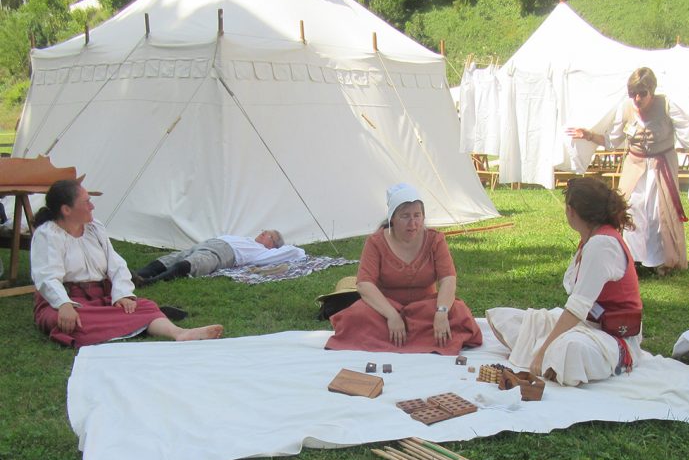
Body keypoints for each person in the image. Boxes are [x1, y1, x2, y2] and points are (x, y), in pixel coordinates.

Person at [30, 179, 224, 347]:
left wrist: (121, 295)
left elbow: (116, 265)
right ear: (66, 209)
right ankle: (137, 323)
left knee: (145, 305)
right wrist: (64, 304)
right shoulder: (48, 235)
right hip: (68, 302)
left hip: (102, 297)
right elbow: (47, 277)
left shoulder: (94, 229)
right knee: (67, 321)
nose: (92, 206)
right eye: (87, 201)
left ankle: (179, 333)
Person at [486, 177, 643, 386]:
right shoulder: (590, 238)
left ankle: (559, 356)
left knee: (569, 349)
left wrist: (542, 352)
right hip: (587, 323)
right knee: (504, 318)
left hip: (611, 335)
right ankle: (550, 354)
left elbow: (578, 306)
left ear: (571, 210)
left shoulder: (602, 244)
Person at [568, 67, 689, 275]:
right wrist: (588, 135)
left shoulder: (667, 106)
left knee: (659, 213)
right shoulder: (626, 109)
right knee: (630, 209)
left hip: (661, 165)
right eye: (633, 94)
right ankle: (632, 258)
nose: (637, 99)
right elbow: (612, 140)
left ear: (652, 90)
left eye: (642, 94)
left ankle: (661, 260)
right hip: (635, 165)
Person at [325, 183, 482, 355]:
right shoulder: (376, 242)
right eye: (405, 216)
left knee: (459, 313)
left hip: (426, 309)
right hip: (385, 310)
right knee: (356, 316)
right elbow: (364, 284)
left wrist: (442, 312)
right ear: (392, 217)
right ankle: (424, 339)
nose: (413, 223)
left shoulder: (435, 240)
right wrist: (392, 316)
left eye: (417, 215)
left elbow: (448, 279)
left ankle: (396, 340)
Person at [132, 230, 305, 285]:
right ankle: (135, 276)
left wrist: (279, 247)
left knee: (194, 263)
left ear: (272, 243)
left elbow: (297, 252)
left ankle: (150, 282)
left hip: (223, 253)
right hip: (209, 243)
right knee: (171, 258)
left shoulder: (264, 252)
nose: (263, 232)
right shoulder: (247, 239)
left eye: (268, 234)